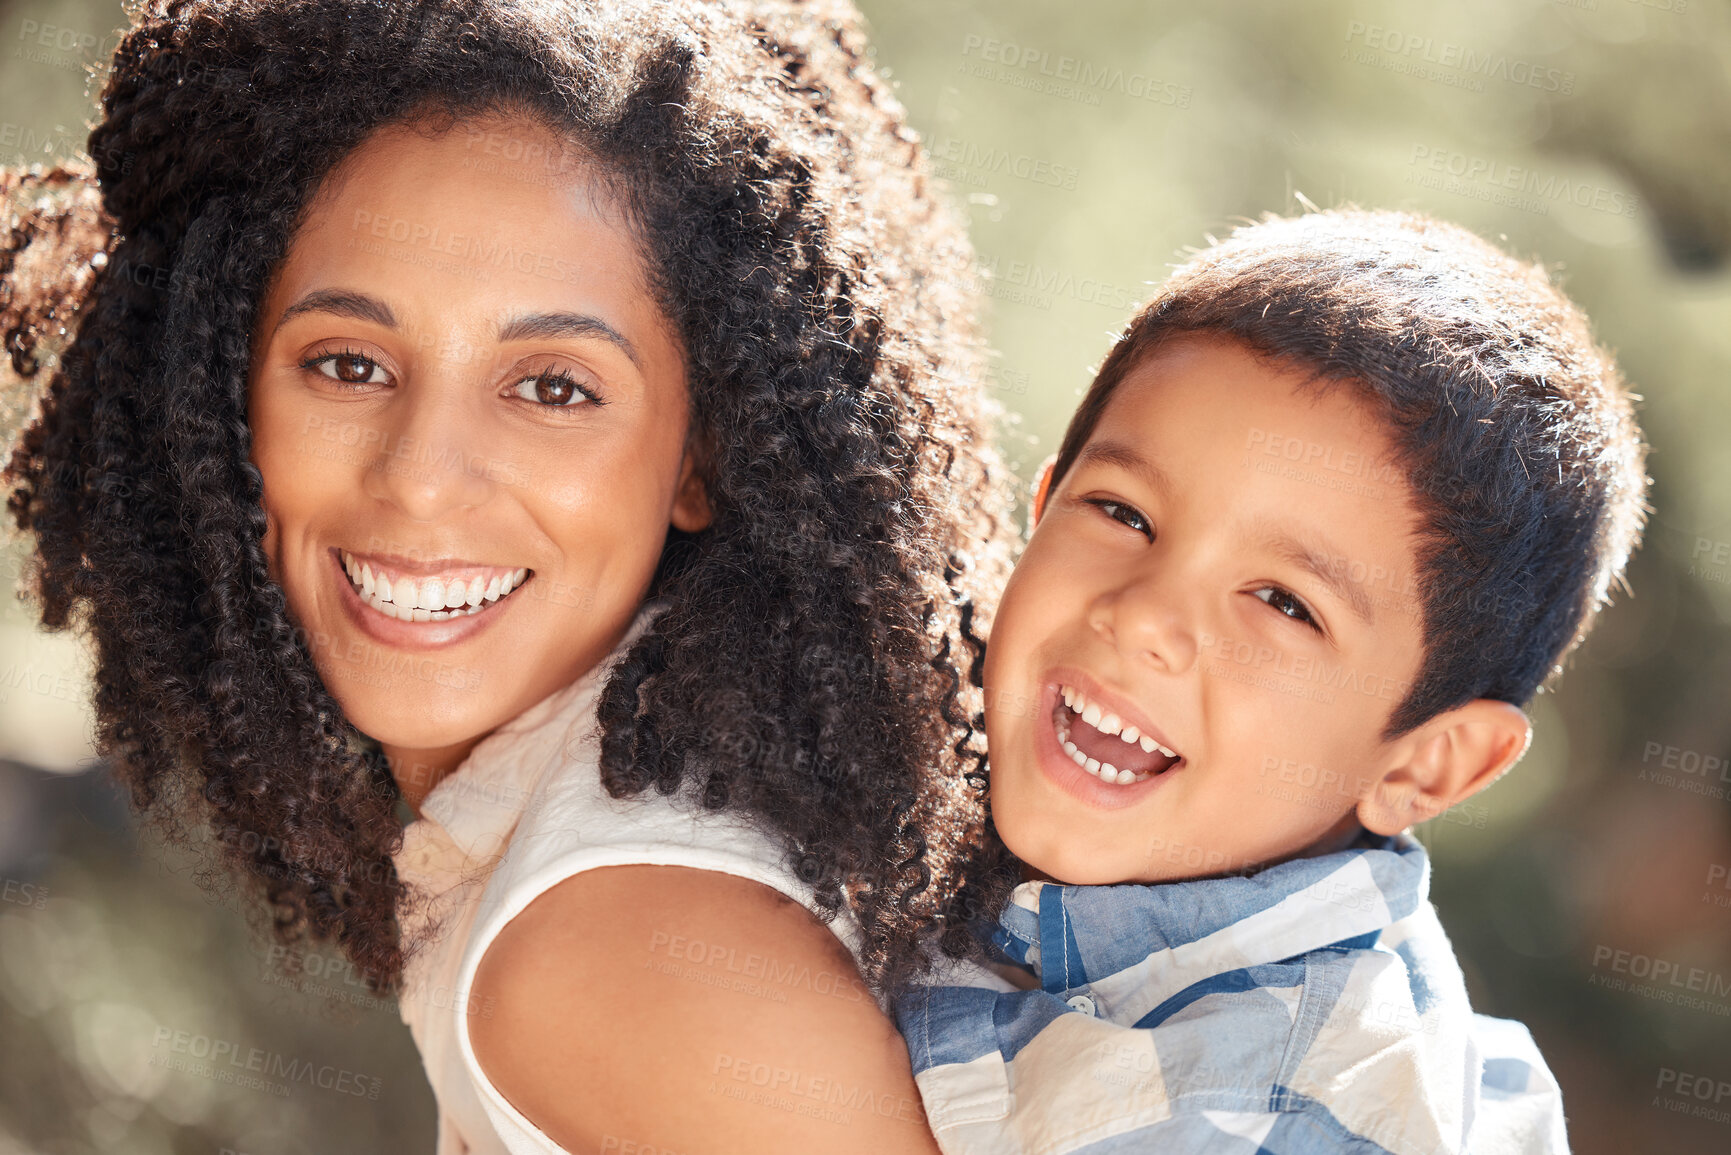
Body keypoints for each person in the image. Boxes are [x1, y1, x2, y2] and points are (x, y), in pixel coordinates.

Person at [0, 1, 1017, 1151]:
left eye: (554, 388)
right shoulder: (582, 840)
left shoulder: (614, 944)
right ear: (219, 391)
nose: (422, 480)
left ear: (704, 456)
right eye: (348, 364)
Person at [892, 209, 1650, 1154]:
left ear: (1426, 765)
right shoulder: (881, 793)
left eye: (1284, 603)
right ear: (1037, 509)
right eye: (1122, 512)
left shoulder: (1294, 1105)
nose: (1143, 618)